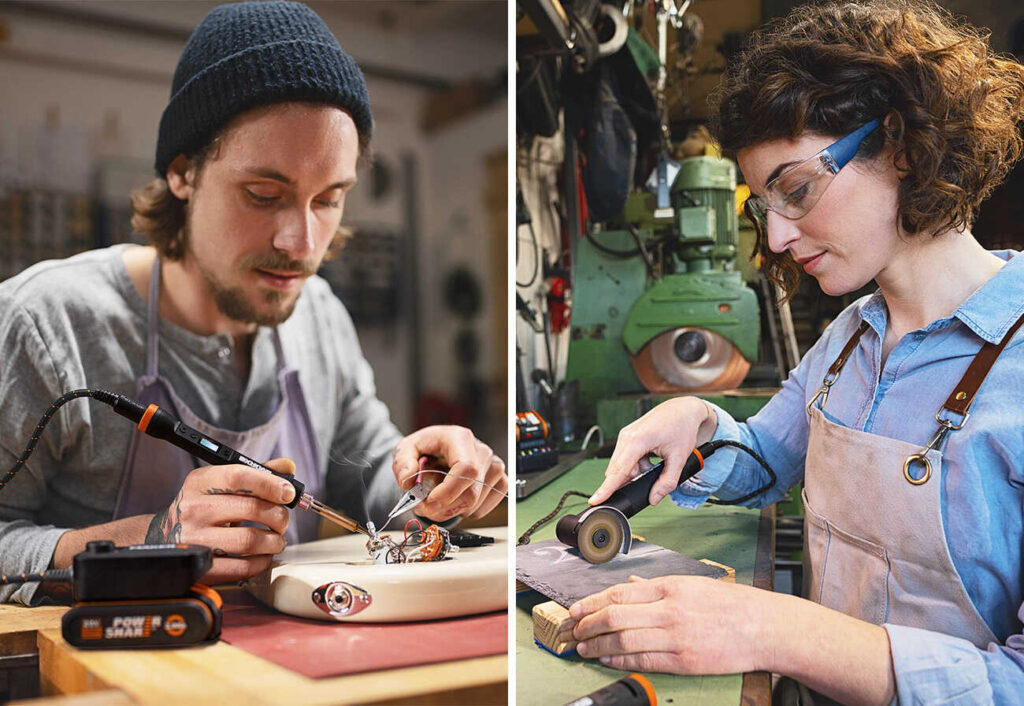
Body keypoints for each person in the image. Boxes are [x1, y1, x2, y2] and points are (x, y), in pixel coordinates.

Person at [572, 1, 1024, 703]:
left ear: (902, 146)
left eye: (796, 190)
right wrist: (699, 422)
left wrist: (777, 632)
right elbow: (763, 459)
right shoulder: (847, 340)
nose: (777, 239)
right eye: (764, 205)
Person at [0, 0, 506, 604]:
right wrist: (151, 541)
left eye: (329, 199)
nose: (302, 243)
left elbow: (369, 483)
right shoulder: (46, 324)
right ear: (183, 173)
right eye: (264, 194)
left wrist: (430, 481)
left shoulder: (319, 316)